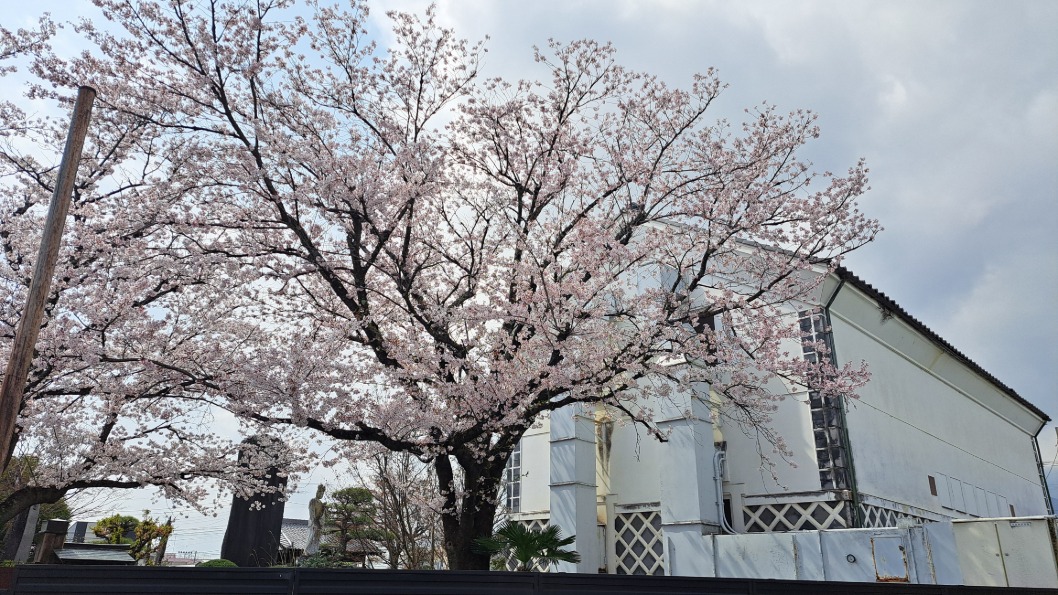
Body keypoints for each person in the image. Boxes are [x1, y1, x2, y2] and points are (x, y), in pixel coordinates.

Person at [305, 484, 326, 556]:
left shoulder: (321, 503)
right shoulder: (313, 501)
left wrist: (324, 508)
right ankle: (308, 551)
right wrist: (314, 522)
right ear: (317, 492)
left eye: (322, 493)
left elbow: (321, 514)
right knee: (311, 536)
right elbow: (311, 513)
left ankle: (315, 551)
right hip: (313, 522)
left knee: (317, 538)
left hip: (319, 522)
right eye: (319, 492)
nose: (321, 494)